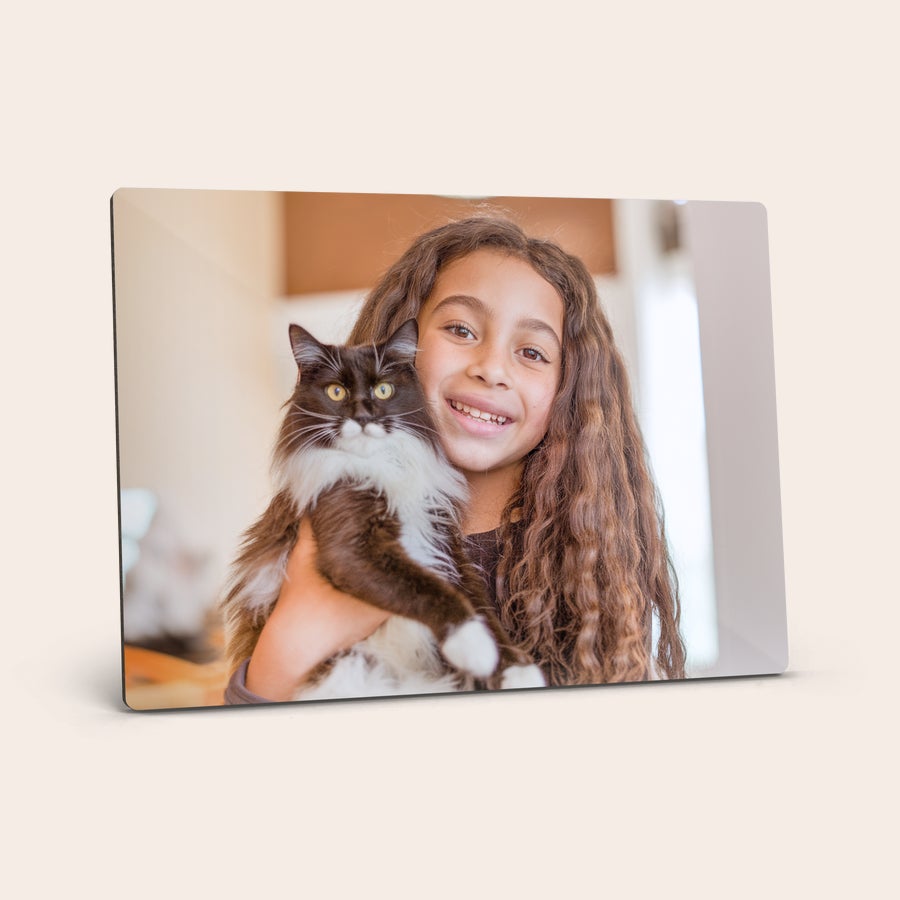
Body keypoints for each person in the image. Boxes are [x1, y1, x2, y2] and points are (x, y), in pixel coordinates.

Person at [225, 215, 685, 703]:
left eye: (532, 352)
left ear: (569, 390)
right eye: (461, 329)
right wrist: (288, 645)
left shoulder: (586, 561)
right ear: (399, 352)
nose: (490, 369)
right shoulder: (319, 517)